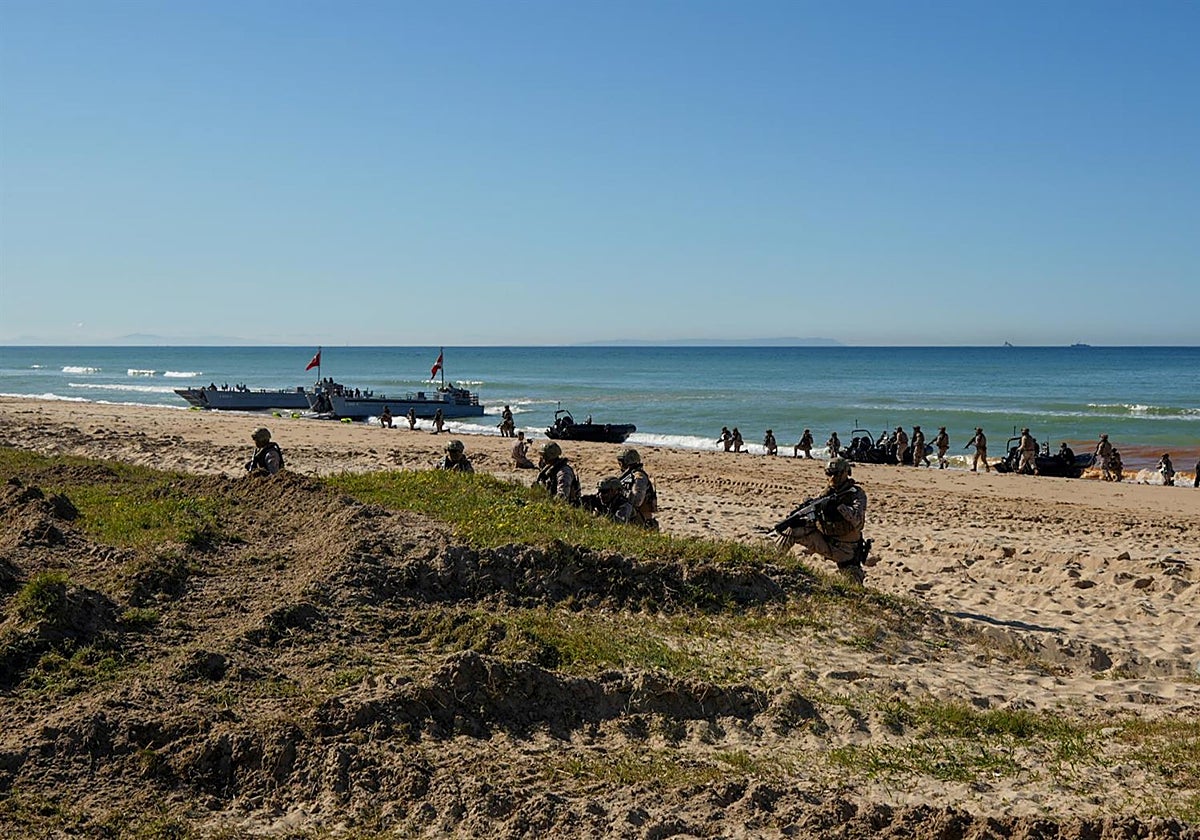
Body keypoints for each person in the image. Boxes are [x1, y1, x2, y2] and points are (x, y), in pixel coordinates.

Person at [773, 457, 870, 585]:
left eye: (837, 473)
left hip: (845, 550)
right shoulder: (826, 493)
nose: (832, 478)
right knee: (792, 529)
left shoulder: (855, 494)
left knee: (853, 586)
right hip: (825, 540)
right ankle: (771, 562)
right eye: (829, 473)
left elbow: (858, 522)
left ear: (846, 473)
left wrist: (839, 508)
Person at [616, 447, 659, 529]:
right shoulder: (627, 475)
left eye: (620, 462)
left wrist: (620, 493)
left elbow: (637, 500)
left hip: (640, 519)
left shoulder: (639, 477)